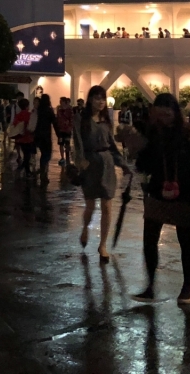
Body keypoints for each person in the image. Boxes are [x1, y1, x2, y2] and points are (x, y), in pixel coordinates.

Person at [132, 93, 190, 305]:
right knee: (149, 240)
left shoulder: (188, 134)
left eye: (167, 114)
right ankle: (150, 285)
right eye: (159, 114)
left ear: (175, 113)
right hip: (157, 190)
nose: (163, 119)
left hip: (184, 193)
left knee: (185, 240)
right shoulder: (151, 133)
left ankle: (187, 287)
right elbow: (143, 162)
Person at [74, 86, 130, 262]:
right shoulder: (80, 119)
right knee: (90, 205)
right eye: (97, 98)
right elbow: (77, 143)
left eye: (103, 99)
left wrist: (123, 164)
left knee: (107, 206)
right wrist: (81, 162)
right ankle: (85, 229)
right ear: (90, 99)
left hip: (106, 165)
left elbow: (112, 145)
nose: (100, 102)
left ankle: (103, 245)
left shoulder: (106, 119)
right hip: (90, 164)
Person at [34, 94, 57, 183]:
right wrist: (59, 136)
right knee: (47, 154)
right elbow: (54, 123)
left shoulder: (38, 110)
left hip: (38, 135)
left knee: (43, 154)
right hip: (46, 136)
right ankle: (43, 172)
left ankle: (43, 172)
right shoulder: (49, 110)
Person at [10, 98, 36, 174]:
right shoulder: (29, 115)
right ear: (27, 106)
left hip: (20, 138)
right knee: (27, 156)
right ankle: (24, 170)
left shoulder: (18, 115)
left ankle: (26, 170)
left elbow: (14, 124)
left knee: (25, 154)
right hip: (29, 138)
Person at [55, 97, 75, 167]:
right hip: (61, 130)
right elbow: (57, 119)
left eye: (61, 101)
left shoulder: (69, 110)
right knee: (61, 144)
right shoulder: (59, 110)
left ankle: (67, 157)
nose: (60, 102)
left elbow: (72, 119)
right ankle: (62, 157)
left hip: (67, 130)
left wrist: (70, 127)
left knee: (67, 143)